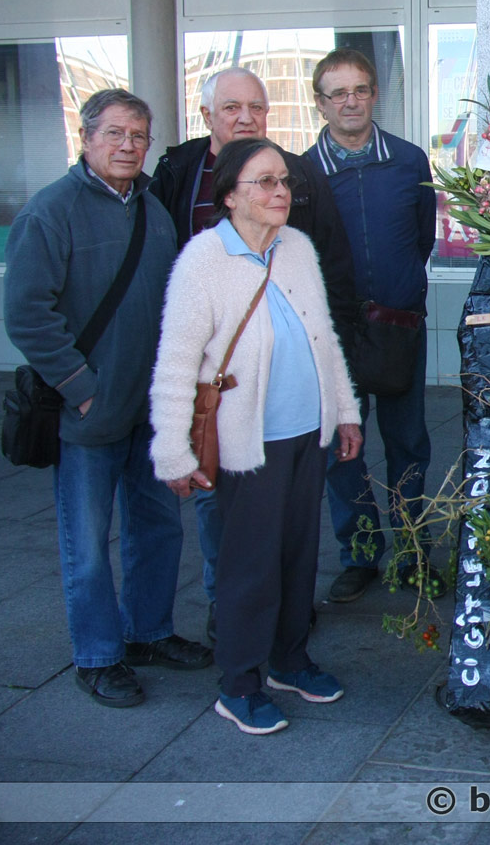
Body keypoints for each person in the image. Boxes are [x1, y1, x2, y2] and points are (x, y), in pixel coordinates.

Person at [5, 88, 212, 709]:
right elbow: (27, 314)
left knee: (158, 527)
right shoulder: (50, 211)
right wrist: (82, 390)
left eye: (139, 135)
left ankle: (148, 632)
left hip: (153, 408)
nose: (128, 145)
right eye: (115, 133)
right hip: (89, 413)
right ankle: (97, 656)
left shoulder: (153, 209)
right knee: (88, 543)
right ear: (86, 138)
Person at [150, 137, 362, 735]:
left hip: (306, 432)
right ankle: (239, 683)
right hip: (248, 442)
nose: (280, 192)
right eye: (264, 181)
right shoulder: (203, 260)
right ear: (229, 195)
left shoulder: (296, 247)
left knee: (298, 555)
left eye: (284, 182)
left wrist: (345, 411)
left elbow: (324, 338)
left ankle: (289, 661)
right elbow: (175, 363)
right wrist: (172, 451)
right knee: (250, 565)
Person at [302, 49, 437, 603]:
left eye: (360, 90)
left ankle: (411, 550)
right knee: (342, 446)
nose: (350, 101)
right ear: (321, 103)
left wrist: (399, 291)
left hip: (399, 324)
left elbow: (421, 238)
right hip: (334, 332)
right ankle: (359, 553)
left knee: (408, 441)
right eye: (338, 93)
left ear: (375, 94)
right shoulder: (303, 172)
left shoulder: (408, 160)